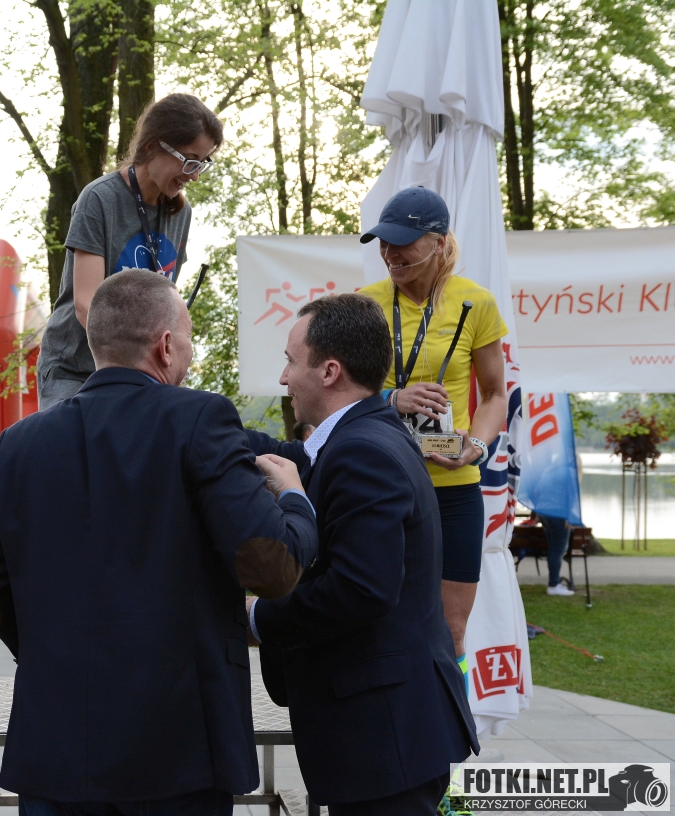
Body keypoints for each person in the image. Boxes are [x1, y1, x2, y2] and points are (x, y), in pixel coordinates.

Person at [0, 269, 318, 815]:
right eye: (190, 340)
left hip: (56, 745)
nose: (190, 355)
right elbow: (271, 566)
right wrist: (294, 500)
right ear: (166, 345)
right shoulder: (200, 419)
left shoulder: (18, 442)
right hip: (179, 748)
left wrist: (50, 650)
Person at [244, 294, 478, 815]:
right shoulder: (366, 434)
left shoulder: (361, 450)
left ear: (330, 371)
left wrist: (256, 617)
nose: (284, 378)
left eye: (290, 362)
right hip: (388, 733)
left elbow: (359, 589)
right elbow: (292, 455)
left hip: (384, 735)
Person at [358, 186, 508, 687]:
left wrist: (477, 447)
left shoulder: (475, 302)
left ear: (439, 241)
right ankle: (391, 725)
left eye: (402, 242)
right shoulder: (364, 304)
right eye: (383, 241)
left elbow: (495, 394)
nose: (390, 253)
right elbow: (339, 392)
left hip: (452, 491)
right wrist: (390, 398)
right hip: (382, 481)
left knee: (451, 630)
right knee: (378, 621)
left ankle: (452, 730)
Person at [36, 94, 223, 409]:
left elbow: (165, 302)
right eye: (189, 160)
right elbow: (85, 304)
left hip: (142, 375)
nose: (194, 175)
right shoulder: (99, 199)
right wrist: (134, 368)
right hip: (75, 370)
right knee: (71, 440)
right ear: (152, 146)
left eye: (202, 164)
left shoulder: (181, 213)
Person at [536, 513, 576, 596]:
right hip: (560, 515)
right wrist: (569, 516)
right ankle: (554, 585)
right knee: (557, 550)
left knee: (553, 548)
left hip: (544, 513)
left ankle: (555, 582)